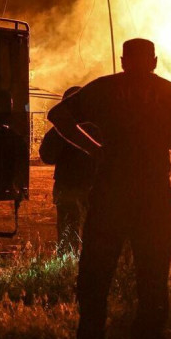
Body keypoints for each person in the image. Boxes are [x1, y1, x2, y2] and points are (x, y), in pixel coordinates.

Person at [48, 38, 171, 339]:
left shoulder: (102, 88)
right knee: (153, 278)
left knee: (95, 276)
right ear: (154, 61)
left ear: (123, 59)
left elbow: (57, 114)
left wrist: (94, 148)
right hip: (153, 197)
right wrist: (159, 137)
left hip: (109, 194)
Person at [39, 86, 96, 254]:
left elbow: (47, 156)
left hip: (67, 185)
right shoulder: (98, 127)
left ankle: (66, 267)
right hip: (92, 187)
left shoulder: (58, 131)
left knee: (67, 231)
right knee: (94, 231)